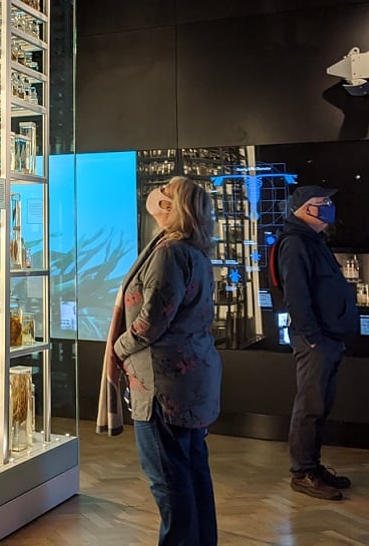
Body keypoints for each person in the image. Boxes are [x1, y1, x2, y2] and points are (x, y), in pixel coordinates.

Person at [99, 176, 221, 546]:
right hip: (189, 381)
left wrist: (118, 350)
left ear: (171, 208)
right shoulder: (194, 251)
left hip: (162, 388)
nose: (158, 192)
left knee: (168, 481)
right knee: (193, 471)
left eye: (166, 190)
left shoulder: (169, 252)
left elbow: (152, 320)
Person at [278, 185, 359, 501]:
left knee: (320, 404)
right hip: (316, 340)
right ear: (303, 209)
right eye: (321, 202)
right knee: (310, 406)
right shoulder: (296, 243)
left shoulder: (313, 240)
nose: (328, 206)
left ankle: (312, 466)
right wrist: (312, 337)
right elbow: (296, 294)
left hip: (328, 337)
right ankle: (302, 472)